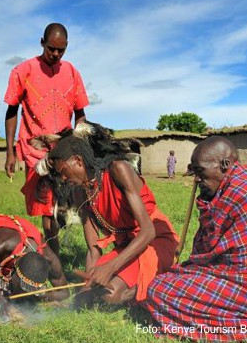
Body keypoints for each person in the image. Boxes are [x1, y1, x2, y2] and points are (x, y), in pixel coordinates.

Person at [142, 136, 247, 342]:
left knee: (160, 289)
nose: (196, 179)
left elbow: (209, 256)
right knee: (173, 280)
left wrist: (186, 271)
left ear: (224, 164)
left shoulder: (238, 193)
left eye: (200, 171)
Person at [38, 122, 179, 307]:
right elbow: (93, 248)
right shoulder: (80, 192)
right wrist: (87, 286)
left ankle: (158, 282)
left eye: (63, 171)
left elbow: (148, 232)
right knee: (93, 294)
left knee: (111, 295)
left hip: (155, 240)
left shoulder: (118, 170)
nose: (63, 178)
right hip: (128, 246)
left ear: (78, 161)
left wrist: (110, 268)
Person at [3, 23, 90, 257]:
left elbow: (80, 113)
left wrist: (82, 142)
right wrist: (10, 152)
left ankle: (51, 247)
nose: (55, 54)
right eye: (51, 48)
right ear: (42, 42)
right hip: (36, 152)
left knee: (69, 205)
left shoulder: (72, 72)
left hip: (65, 152)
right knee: (47, 207)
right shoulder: (23, 71)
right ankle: (55, 261)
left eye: (61, 50)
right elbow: (12, 112)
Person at [0, 214, 69, 320]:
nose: (25, 293)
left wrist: (41, 295)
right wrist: (1, 302)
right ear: (14, 270)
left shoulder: (50, 260)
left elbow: (64, 292)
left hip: (23, 229)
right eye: (23, 287)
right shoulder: (1, 246)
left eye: (32, 288)